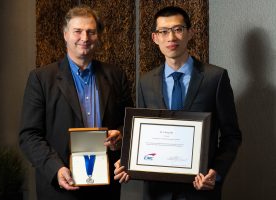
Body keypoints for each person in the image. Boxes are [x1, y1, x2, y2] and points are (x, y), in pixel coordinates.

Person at [114, 6, 242, 200]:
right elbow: (140, 134)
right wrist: (127, 162)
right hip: (157, 192)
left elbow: (231, 135)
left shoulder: (215, 78)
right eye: (163, 32)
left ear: (190, 33)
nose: (171, 38)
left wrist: (216, 172)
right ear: (155, 38)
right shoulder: (145, 82)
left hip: (199, 191)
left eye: (178, 29)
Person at [19, 5, 133, 200]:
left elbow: (128, 124)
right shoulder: (41, 78)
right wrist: (55, 169)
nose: (85, 38)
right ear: (65, 34)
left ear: (98, 36)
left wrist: (120, 135)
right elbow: (29, 135)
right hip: (60, 186)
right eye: (77, 31)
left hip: (105, 189)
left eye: (91, 32)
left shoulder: (116, 76)